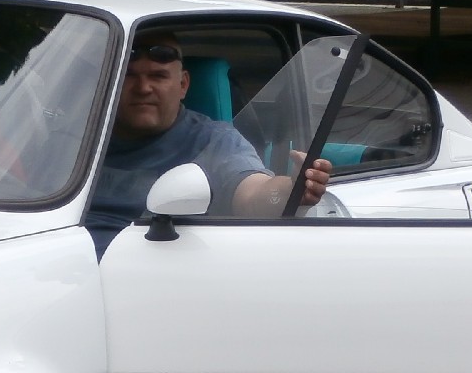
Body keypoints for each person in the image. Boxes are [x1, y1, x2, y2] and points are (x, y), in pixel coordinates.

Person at [84, 34, 332, 253]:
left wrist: (292, 190)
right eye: (129, 75)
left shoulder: (213, 141)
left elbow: (252, 194)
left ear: (183, 85)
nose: (143, 88)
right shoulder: (76, 134)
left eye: (158, 76)